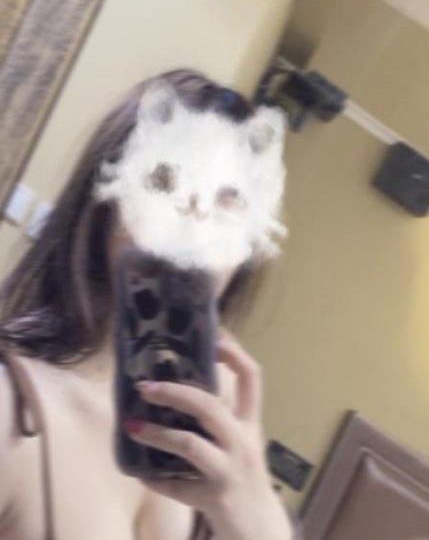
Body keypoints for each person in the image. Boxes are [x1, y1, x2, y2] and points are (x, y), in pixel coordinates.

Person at [0, 69, 293, 540]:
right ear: (104, 203)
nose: (193, 220)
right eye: (164, 179)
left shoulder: (214, 438)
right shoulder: (8, 407)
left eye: (229, 200)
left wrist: (255, 510)